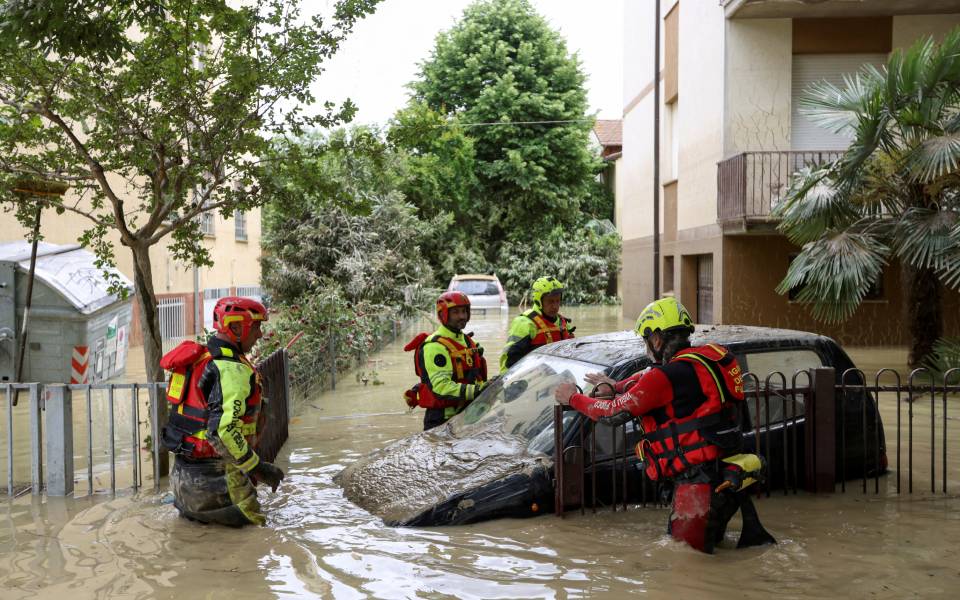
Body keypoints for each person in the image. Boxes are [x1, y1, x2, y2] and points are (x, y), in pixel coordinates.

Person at [554, 297, 775, 553]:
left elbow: (612, 414)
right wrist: (612, 385)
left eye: (646, 341)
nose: (646, 347)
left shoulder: (666, 377)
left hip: (697, 487)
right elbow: (646, 377)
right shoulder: (702, 361)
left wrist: (572, 397)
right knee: (709, 552)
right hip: (725, 476)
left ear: (657, 339)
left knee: (687, 565)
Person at [160, 296, 285, 527]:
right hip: (218, 484)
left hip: (181, 483)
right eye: (256, 326)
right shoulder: (231, 369)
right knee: (258, 541)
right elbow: (222, 431)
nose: (259, 334)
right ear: (236, 326)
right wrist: (259, 467)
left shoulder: (200, 360)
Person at [403, 291, 488, 430]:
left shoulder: (466, 340)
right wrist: (478, 390)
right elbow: (441, 387)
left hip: (466, 415)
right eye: (455, 312)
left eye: (464, 311)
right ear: (444, 315)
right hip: (442, 419)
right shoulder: (434, 346)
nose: (462, 316)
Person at [499, 276, 574, 373]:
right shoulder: (525, 323)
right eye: (550, 301)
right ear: (539, 301)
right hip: (531, 379)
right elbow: (509, 360)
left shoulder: (563, 323)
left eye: (558, 301)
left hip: (556, 377)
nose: (555, 306)